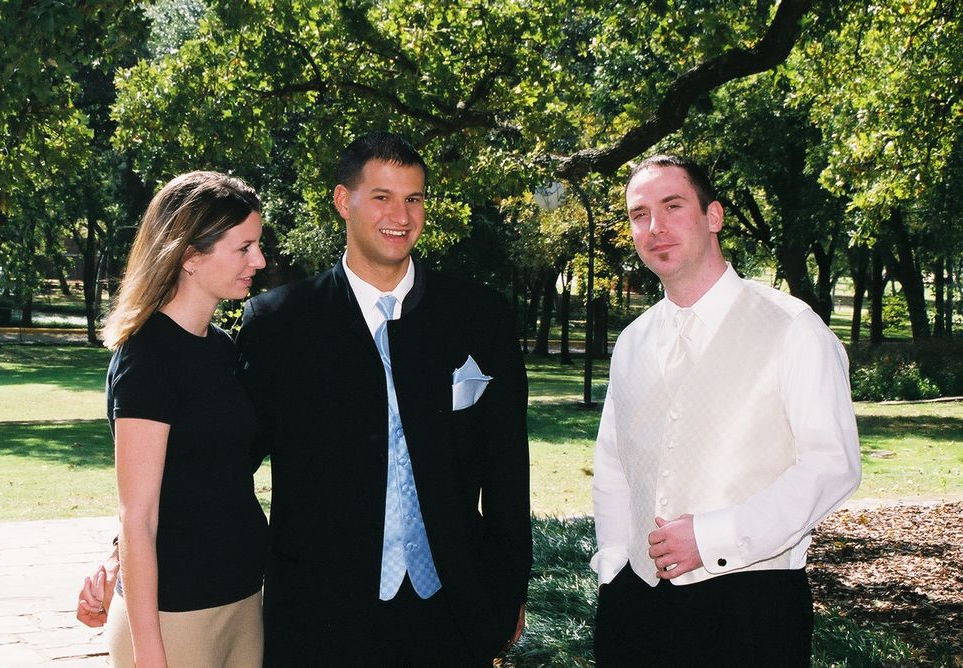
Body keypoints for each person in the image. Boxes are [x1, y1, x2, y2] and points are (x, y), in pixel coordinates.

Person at [80, 133, 531, 665]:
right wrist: (121, 553)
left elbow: (508, 469)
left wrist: (507, 589)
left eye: (414, 198)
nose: (401, 216)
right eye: (382, 197)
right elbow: (215, 465)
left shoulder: (481, 316)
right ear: (344, 201)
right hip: (321, 618)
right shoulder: (277, 323)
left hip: (451, 612)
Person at [590, 155, 861, 666]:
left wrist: (714, 537)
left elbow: (832, 465)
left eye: (673, 206)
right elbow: (613, 465)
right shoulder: (632, 342)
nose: (655, 227)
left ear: (713, 216)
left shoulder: (794, 329)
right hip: (636, 609)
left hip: (752, 610)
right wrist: (614, 566)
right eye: (639, 214)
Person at [95, 171, 269, 667]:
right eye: (244, 248)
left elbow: (206, 477)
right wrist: (149, 651)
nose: (259, 261)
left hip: (241, 600)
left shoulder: (224, 350)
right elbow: (138, 514)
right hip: (173, 618)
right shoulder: (147, 358)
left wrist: (110, 558)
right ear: (190, 256)